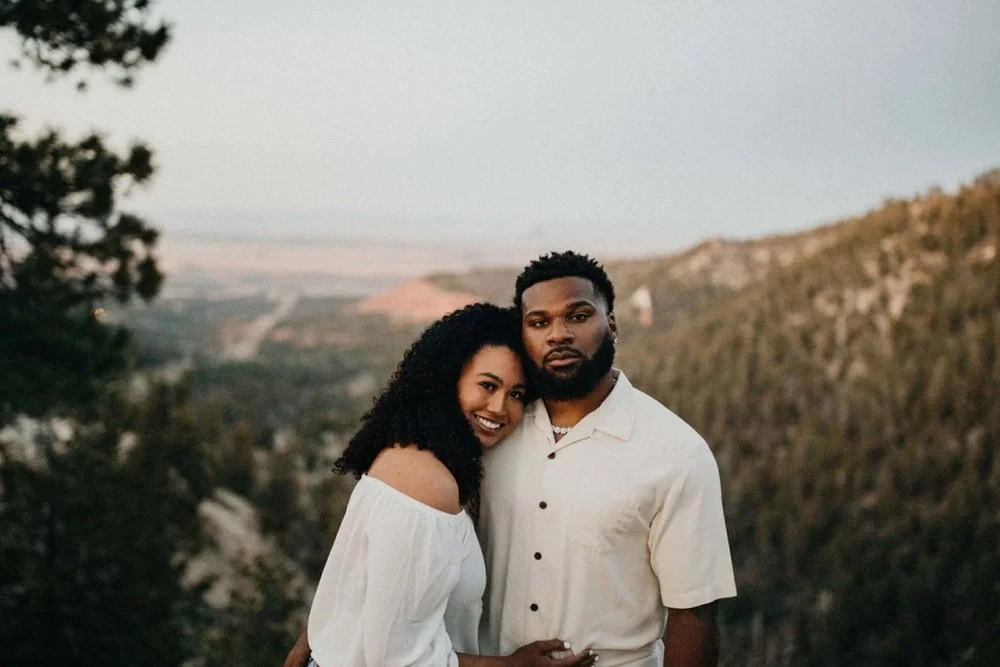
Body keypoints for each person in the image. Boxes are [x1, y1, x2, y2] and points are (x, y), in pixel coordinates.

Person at [284, 303, 598, 667]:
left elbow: (365, 583)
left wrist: (315, 635)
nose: (499, 407)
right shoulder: (427, 481)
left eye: (516, 394)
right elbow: (397, 659)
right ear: (447, 381)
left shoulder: (417, 454)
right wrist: (513, 665)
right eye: (487, 385)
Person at [477, 251, 737, 667]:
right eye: (539, 322)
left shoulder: (677, 452)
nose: (558, 334)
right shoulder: (492, 429)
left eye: (578, 316)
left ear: (612, 324)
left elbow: (693, 616)